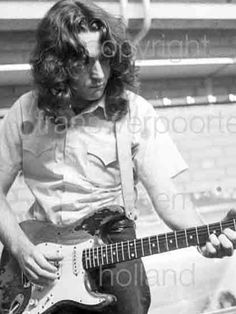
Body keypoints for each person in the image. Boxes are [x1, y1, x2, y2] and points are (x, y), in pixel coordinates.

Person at [0, 0, 236, 313]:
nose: (98, 74)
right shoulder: (24, 112)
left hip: (113, 238)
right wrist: (20, 247)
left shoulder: (135, 111)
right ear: (56, 65)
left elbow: (166, 197)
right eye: (83, 62)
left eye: (105, 59)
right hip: (42, 248)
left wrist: (203, 235)